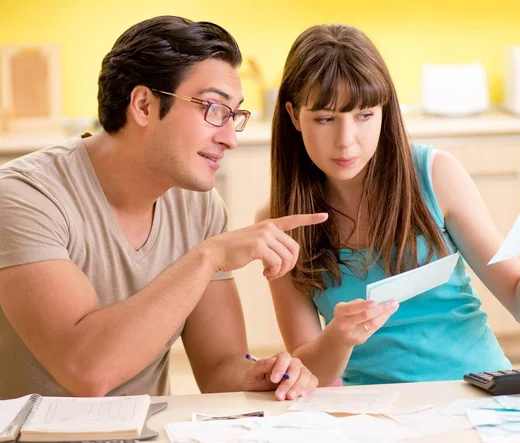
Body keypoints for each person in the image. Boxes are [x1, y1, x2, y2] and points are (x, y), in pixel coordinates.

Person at [0, 15, 326, 400]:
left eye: (233, 116)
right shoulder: (25, 197)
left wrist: (266, 374)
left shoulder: (200, 207)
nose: (229, 139)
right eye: (214, 110)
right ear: (143, 105)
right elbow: (86, 372)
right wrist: (208, 257)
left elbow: (219, 367)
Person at [258, 24, 520, 387]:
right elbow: (310, 377)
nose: (346, 141)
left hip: (474, 391)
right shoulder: (279, 222)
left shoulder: (435, 175)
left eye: (365, 115)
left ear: (385, 110)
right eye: (325, 119)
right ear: (294, 116)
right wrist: (338, 337)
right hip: (375, 412)